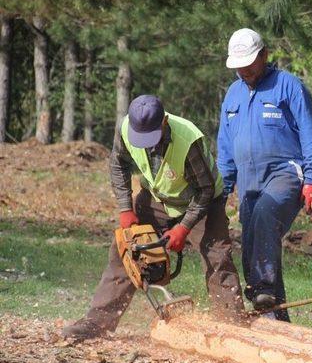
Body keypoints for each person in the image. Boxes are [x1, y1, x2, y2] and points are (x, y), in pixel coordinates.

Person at [62, 95, 244, 340]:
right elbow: (118, 165)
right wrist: (126, 208)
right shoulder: (125, 128)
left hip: (201, 202)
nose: (146, 145)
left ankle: (232, 328)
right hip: (156, 198)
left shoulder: (188, 140)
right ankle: (98, 322)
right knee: (125, 252)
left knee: (217, 258)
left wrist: (184, 228)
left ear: (164, 122)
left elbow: (205, 190)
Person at [217, 28, 312, 321]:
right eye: (239, 65)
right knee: (252, 242)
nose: (245, 70)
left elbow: (310, 132)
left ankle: (263, 287)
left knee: (266, 214)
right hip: (249, 182)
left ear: (264, 55)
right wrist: (222, 188)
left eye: (250, 63)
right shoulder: (233, 94)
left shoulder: (288, 86)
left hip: (285, 173)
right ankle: (276, 323)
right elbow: (226, 146)